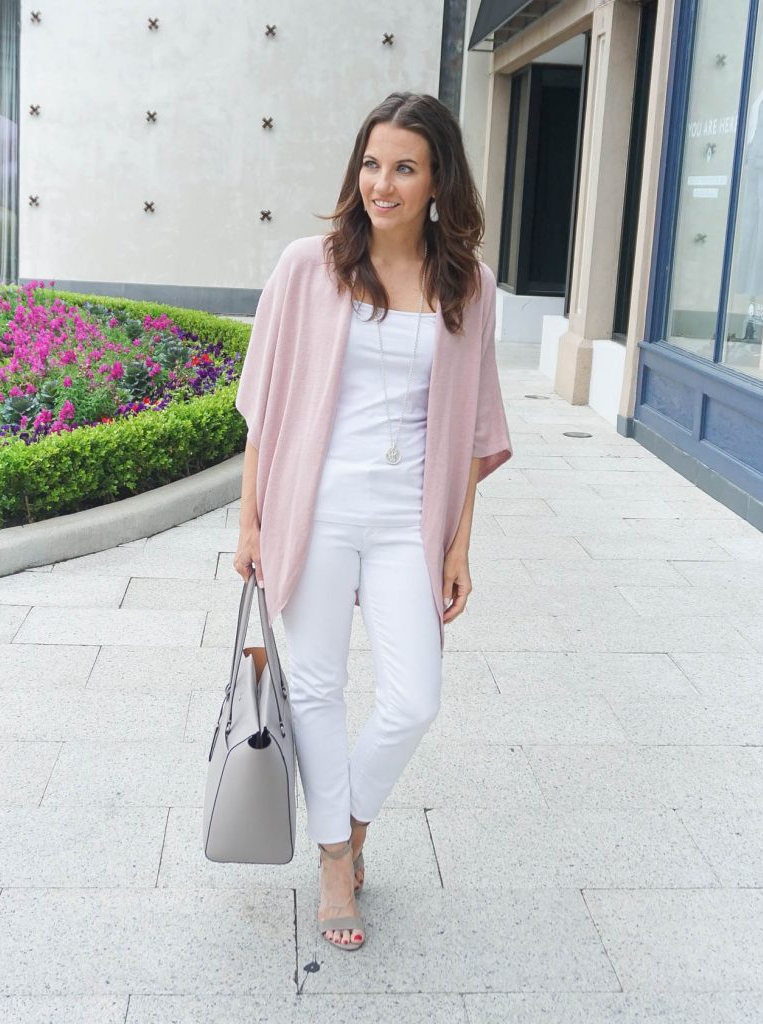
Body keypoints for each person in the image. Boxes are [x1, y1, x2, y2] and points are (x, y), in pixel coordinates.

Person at [232, 92, 512, 952]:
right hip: (313, 506)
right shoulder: (306, 266)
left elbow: (471, 429)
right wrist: (250, 524)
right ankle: (330, 864)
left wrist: (460, 541)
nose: (380, 184)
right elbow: (265, 408)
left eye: (403, 168)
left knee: (413, 699)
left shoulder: (469, 283)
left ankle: (349, 825)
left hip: (406, 518)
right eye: (370, 164)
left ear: (436, 182)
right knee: (315, 687)